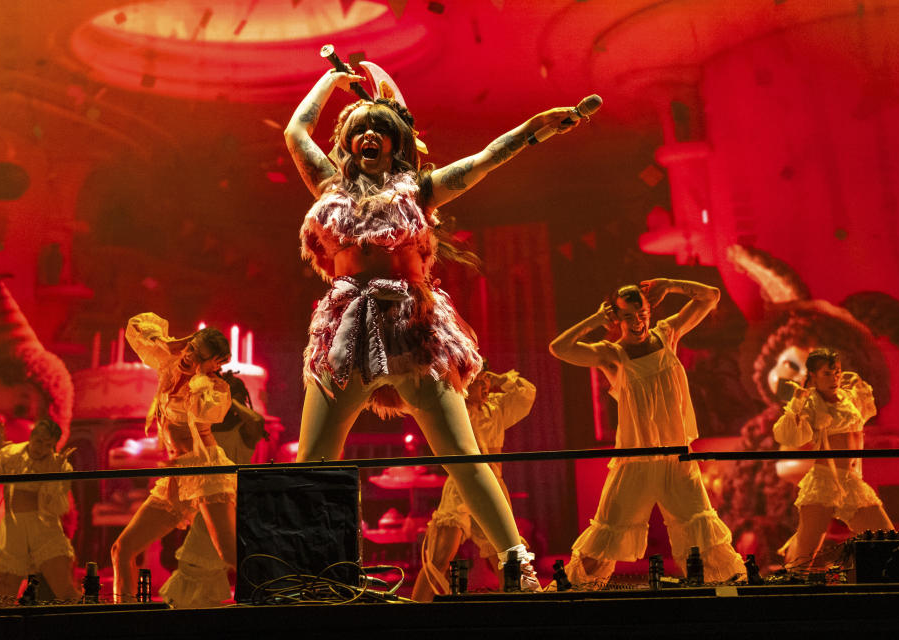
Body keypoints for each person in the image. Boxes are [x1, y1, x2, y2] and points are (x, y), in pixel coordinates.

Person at [284, 66, 586, 588]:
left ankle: (517, 562)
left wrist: (534, 128)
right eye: (359, 128)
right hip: (344, 330)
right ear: (349, 143)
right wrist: (332, 83)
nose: (369, 134)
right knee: (312, 460)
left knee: (464, 458)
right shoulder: (328, 185)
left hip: (411, 327)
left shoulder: (419, 190)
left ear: (396, 141)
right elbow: (294, 133)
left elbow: (484, 161)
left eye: (380, 127)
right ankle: (311, 568)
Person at [549, 279, 746, 586]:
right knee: (604, 541)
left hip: (677, 459)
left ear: (649, 309)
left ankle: (726, 597)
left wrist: (670, 284)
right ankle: (573, 595)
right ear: (617, 317)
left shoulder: (668, 334)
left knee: (705, 538)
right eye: (628, 316)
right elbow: (558, 348)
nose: (637, 321)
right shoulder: (613, 355)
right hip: (635, 463)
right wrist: (596, 320)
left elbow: (711, 296)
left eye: (641, 313)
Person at [111, 313, 233, 602]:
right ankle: (120, 619)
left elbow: (207, 414)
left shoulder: (214, 389)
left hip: (205, 472)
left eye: (198, 355)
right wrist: (176, 344)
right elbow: (137, 328)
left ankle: (274, 604)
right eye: (191, 348)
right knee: (122, 548)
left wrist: (203, 375)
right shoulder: (170, 365)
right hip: (176, 476)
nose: (189, 356)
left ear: (215, 364)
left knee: (228, 553)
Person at [411, 367, 536, 601]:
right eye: (479, 381)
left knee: (507, 556)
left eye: (487, 380)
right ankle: (412, 612)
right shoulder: (457, 408)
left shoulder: (496, 408)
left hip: (493, 487)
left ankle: (519, 612)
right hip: (460, 487)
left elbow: (526, 394)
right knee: (440, 558)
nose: (485, 385)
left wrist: (501, 378)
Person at [773, 347, 893, 568]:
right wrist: (796, 405)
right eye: (827, 373)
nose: (834, 378)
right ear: (813, 376)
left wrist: (855, 383)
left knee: (887, 539)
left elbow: (867, 410)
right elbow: (791, 436)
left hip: (852, 483)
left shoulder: (849, 398)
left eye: (836, 372)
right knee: (804, 556)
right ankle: (788, 595)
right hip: (824, 482)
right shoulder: (812, 404)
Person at [159, 371, 267, 608]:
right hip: (212, 495)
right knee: (201, 560)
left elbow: (257, 421)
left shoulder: (245, 430)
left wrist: (233, 399)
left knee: (219, 558)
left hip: (235, 497)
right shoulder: (208, 429)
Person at [0, 417, 79, 604]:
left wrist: (54, 477)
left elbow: (58, 507)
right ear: (32, 437)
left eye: (48, 445)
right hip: (13, 532)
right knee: (2, 600)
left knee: (65, 592)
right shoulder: (10, 454)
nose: (41, 448)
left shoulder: (58, 464)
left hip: (45, 532)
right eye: (39, 441)